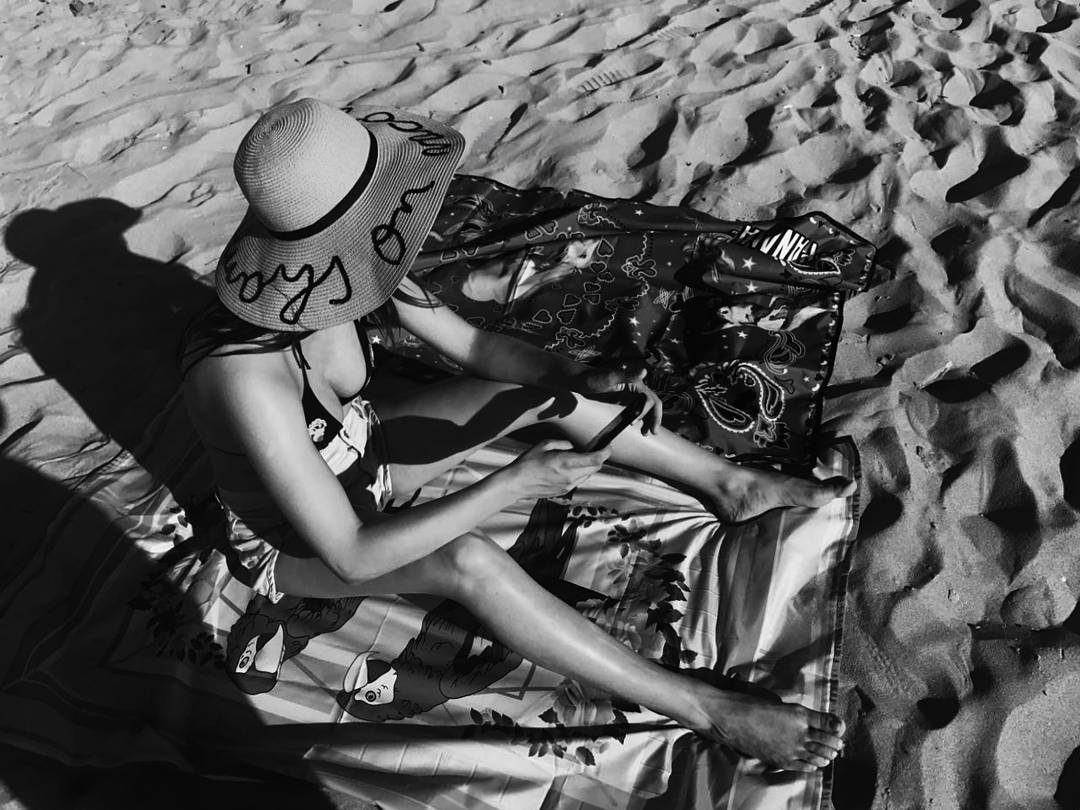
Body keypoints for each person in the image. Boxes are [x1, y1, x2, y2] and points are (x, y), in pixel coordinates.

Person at [180, 98, 854, 773]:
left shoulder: (348, 263)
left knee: (548, 392)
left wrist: (586, 376)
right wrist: (514, 482)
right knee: (469, 560)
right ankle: (703, 707)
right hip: (296, 545)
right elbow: (353, 553)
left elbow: (477, 347)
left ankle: (729, 484)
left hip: (367, 453)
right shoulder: (245, 377)